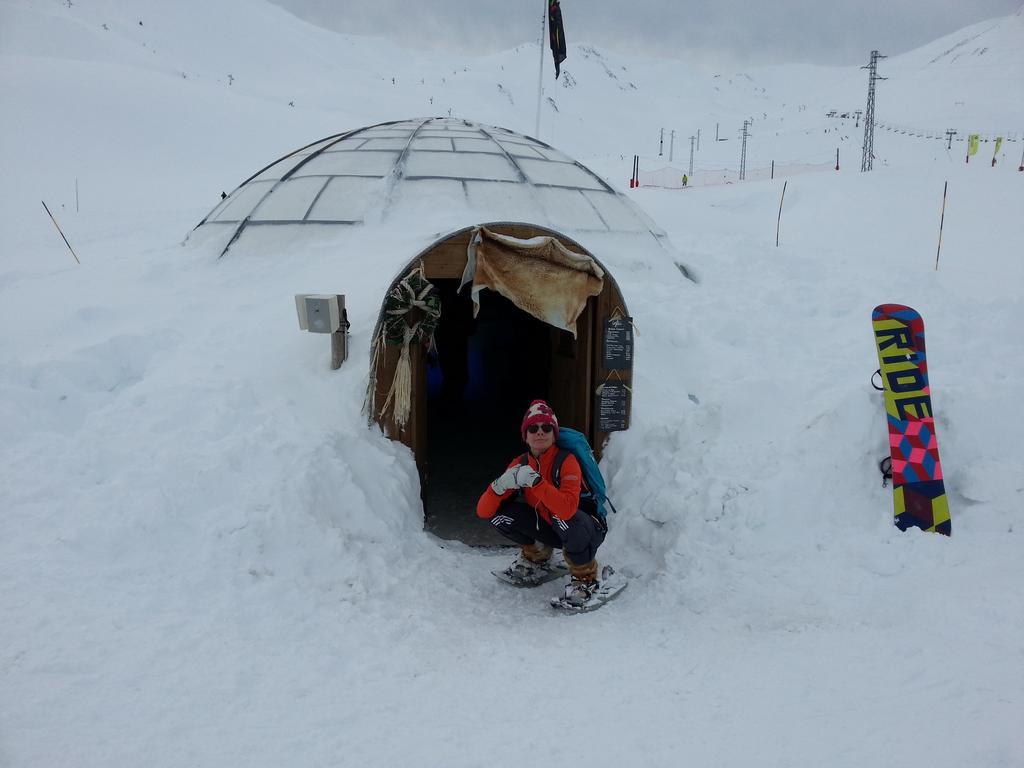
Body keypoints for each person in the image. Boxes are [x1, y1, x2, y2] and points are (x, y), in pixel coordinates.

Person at [476, 400, 606, 606]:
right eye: (533, 428)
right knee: (500, 515)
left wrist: (536, 483)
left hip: (586, 527)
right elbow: (483, 511)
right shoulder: (520, 463)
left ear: (554, 434)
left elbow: (567, 509)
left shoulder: (567, 460)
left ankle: (585, 577)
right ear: (525, 436)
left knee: (563, 517)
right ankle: (537, 556)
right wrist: (498, 487)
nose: (540, 432)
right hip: (551, 526)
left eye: (546, 428)